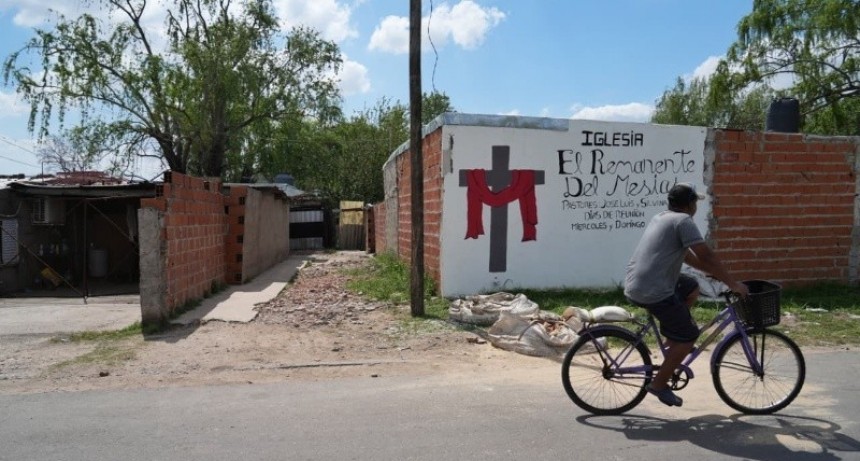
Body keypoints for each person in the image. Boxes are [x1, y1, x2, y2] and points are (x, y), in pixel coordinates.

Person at [624, 182, 749, 407]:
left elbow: (689, 257)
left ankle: (673, 339)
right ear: (690, 204)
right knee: (690, 334)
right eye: (695, 202)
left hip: (640, 282)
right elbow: (707, 256)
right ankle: (659, 384)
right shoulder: (683, 221)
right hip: (653, 289)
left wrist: (714, 275)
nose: (696, 207)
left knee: (691, 287)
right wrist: (732, 283)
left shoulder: (662, 217)